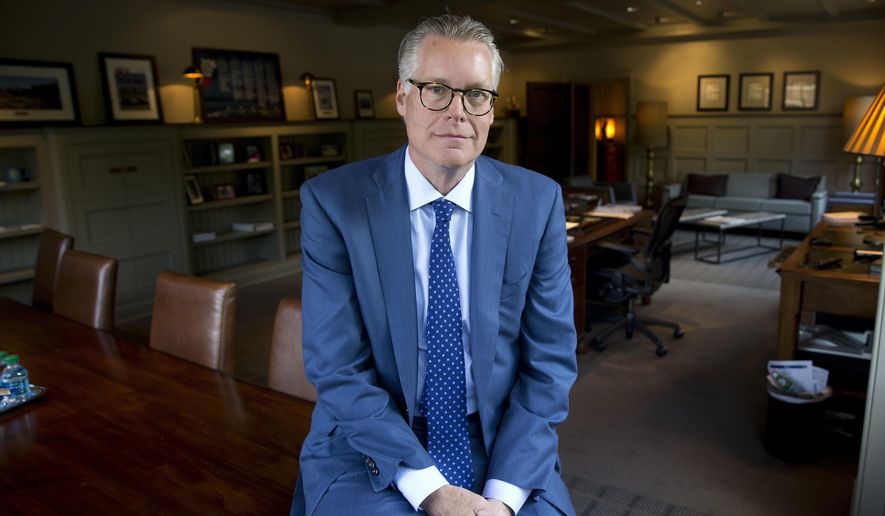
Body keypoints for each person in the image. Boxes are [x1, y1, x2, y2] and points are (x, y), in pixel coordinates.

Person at [293, 14, 577, 516]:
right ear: (402, 97)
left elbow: (549, 365)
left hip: (498, 437)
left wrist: (504, 500)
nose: (458, 112)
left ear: (491, 109)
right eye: (437, 90)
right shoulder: (333, 202)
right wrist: (428, 488)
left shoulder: (539, 203)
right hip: (372, 439)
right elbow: (337, 368)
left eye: (476, 95)